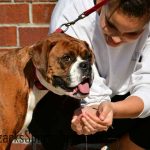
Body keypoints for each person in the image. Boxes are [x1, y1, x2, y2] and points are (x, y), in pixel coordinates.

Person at [28, 0, 150, 150]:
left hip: (122, 104)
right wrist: (94, 111)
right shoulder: (72, 9)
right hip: (73, 102)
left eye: (132, 33)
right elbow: (91, 94)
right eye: (111, 25)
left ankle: (118, 146)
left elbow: (148, 88)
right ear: (101, 2)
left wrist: (113, 109)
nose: (116, 39)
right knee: (55, 93)